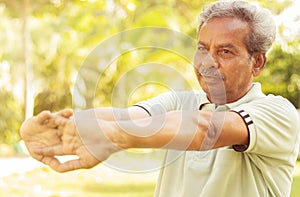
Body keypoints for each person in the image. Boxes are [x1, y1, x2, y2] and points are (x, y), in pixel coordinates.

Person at [20, 1, 300, 196]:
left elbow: (205, 128)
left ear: (257, 62)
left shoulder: (277, 112)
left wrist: (119, 136)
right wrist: (64, 126)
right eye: (203, 49)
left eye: (225, 52)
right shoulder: (181, 102)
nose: (208, 62)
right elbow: (129, 117)